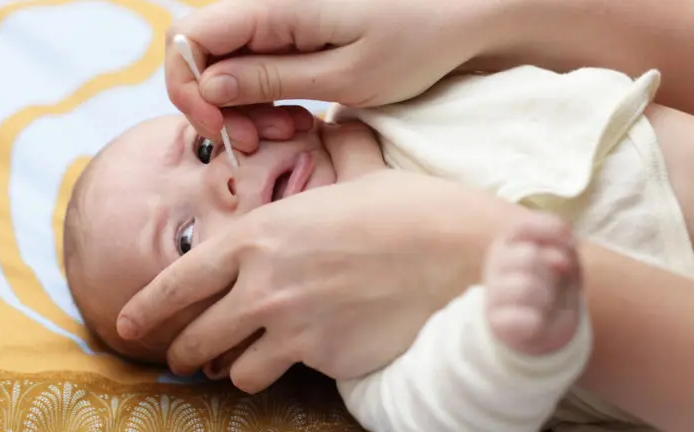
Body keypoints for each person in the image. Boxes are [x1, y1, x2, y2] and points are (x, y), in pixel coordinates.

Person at [116, 0, 694, 430]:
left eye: (202, 148)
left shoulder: (390, 90)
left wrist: (474, 21)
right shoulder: (362, 346)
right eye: (186, 238)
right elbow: (453, 412)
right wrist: (511, 334)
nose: (224, 179)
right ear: (225, 344)